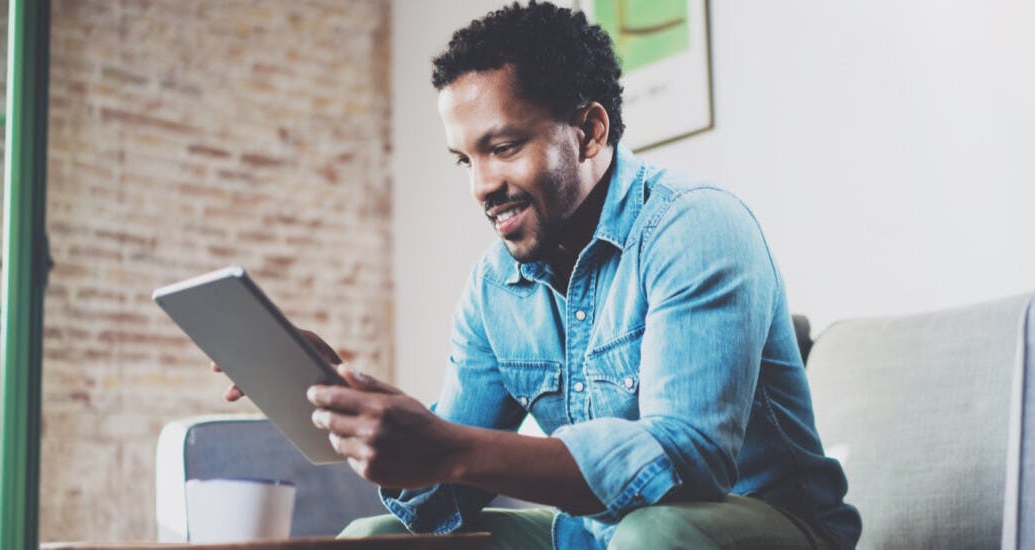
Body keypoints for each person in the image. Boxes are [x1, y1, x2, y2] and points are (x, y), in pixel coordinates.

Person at [216, 2, 859, 548]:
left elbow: (688, 463)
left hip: (771, 527)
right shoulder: (496, 288)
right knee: (371, 540)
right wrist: (346, 401)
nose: (480, 187)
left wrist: (447, 446)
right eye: (463, 159)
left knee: (652, 535)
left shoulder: (693, 226)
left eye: (502, 148)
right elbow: (443, 501)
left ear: (589, 130)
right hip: (594, 534)